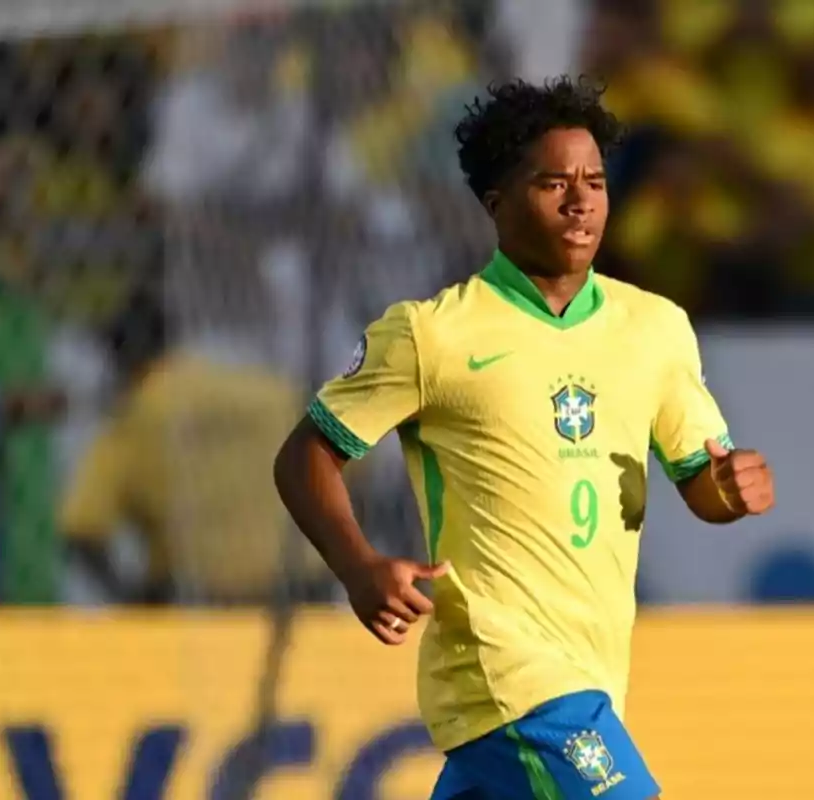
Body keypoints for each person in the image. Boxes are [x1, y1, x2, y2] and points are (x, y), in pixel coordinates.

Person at [273, 76, 775, 799]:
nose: (581, 201)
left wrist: (730, 490)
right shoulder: (432, 335)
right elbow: (305, 456)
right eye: (553, 183)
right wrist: (358, 569)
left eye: (595, 181)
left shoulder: (655, 329)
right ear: (496, 202)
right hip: (505, 672)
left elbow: (702, 480)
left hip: (591, 671)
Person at [60, 285, 331, 605]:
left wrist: (131, 601)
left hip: (204, 598)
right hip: (303, 588)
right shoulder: (268, 392)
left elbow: (82, 528)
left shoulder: (136, 416)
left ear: (118, 358)